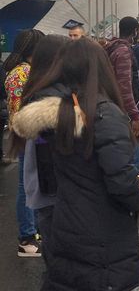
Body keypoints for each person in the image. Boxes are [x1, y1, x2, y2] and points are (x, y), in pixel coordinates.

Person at [11, 38, 139, 291]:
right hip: (103, 229)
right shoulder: (106, 114)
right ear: (101, 67)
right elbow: (120, 180)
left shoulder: (59, 114)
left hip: (66, 220)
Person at [17, 35, 70, 268]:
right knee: (61, 260)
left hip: (42, 188)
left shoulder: (34, 89)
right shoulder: (53, 98)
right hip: (54, 191)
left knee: (54, 257)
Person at [3, 28, 45, 257]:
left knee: (33, 185)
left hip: (30, 134)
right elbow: (22, 110)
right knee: (26, 186)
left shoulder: (25, 71)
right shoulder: (21, 73)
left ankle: (35, 231)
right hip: (27, 134)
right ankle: (26, 238)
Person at [105, 17, 139, 170]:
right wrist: (135, 116)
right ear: (135, 31)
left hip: (113, 108)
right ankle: (134, 189)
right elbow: (124, 87)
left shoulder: (112, 47)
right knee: (134, 156)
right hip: (123, 112)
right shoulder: (124, 52)